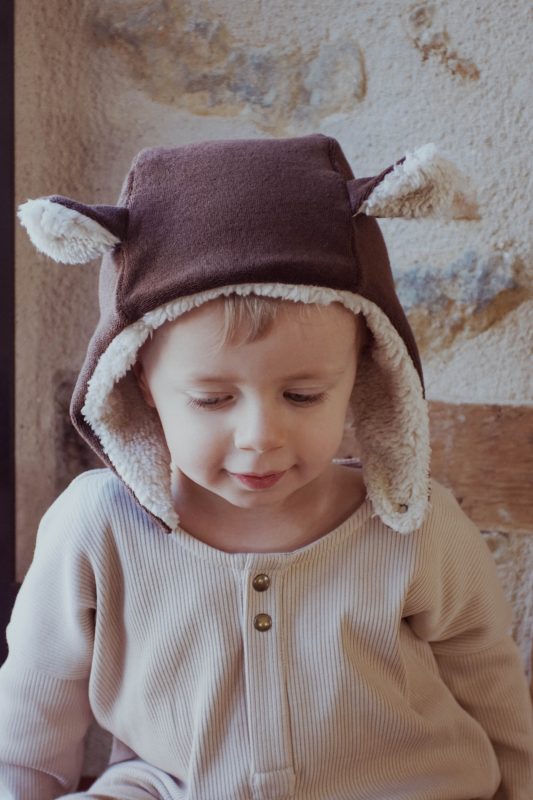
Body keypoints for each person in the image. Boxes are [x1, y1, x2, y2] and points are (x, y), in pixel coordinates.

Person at [2, 133, 532, 799]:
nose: (259, 437)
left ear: (365, 378)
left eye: (303, 396)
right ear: (138, 385)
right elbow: (35, 710)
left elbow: (486, 677)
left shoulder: (416, 527)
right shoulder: (94, 527)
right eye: (213, 399)